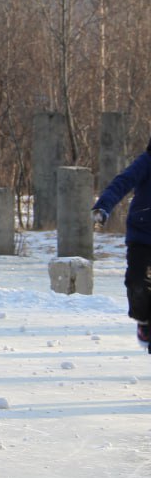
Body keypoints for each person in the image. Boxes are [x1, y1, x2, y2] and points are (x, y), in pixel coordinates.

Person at [92, 132, 151, 351]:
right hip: (143, 235)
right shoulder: (147, 161)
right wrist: (103, 206)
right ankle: (144, 320)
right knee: (136, 284)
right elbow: (123, 182)